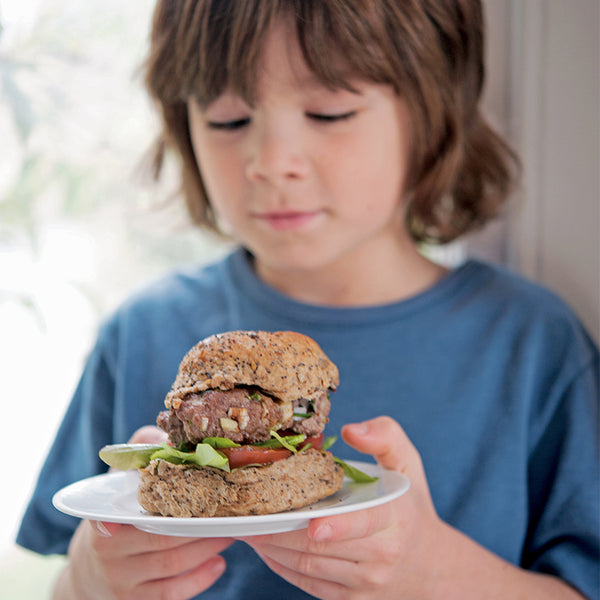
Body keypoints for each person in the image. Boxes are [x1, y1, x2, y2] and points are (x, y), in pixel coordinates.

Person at [17, 1, 599, 599]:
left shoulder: (532, 344)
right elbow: (62, 581)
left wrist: (433, 574)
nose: (270, 164)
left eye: (329, 111)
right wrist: (91, 580)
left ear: (433, 108)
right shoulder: (139, 333)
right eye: (227, 120)